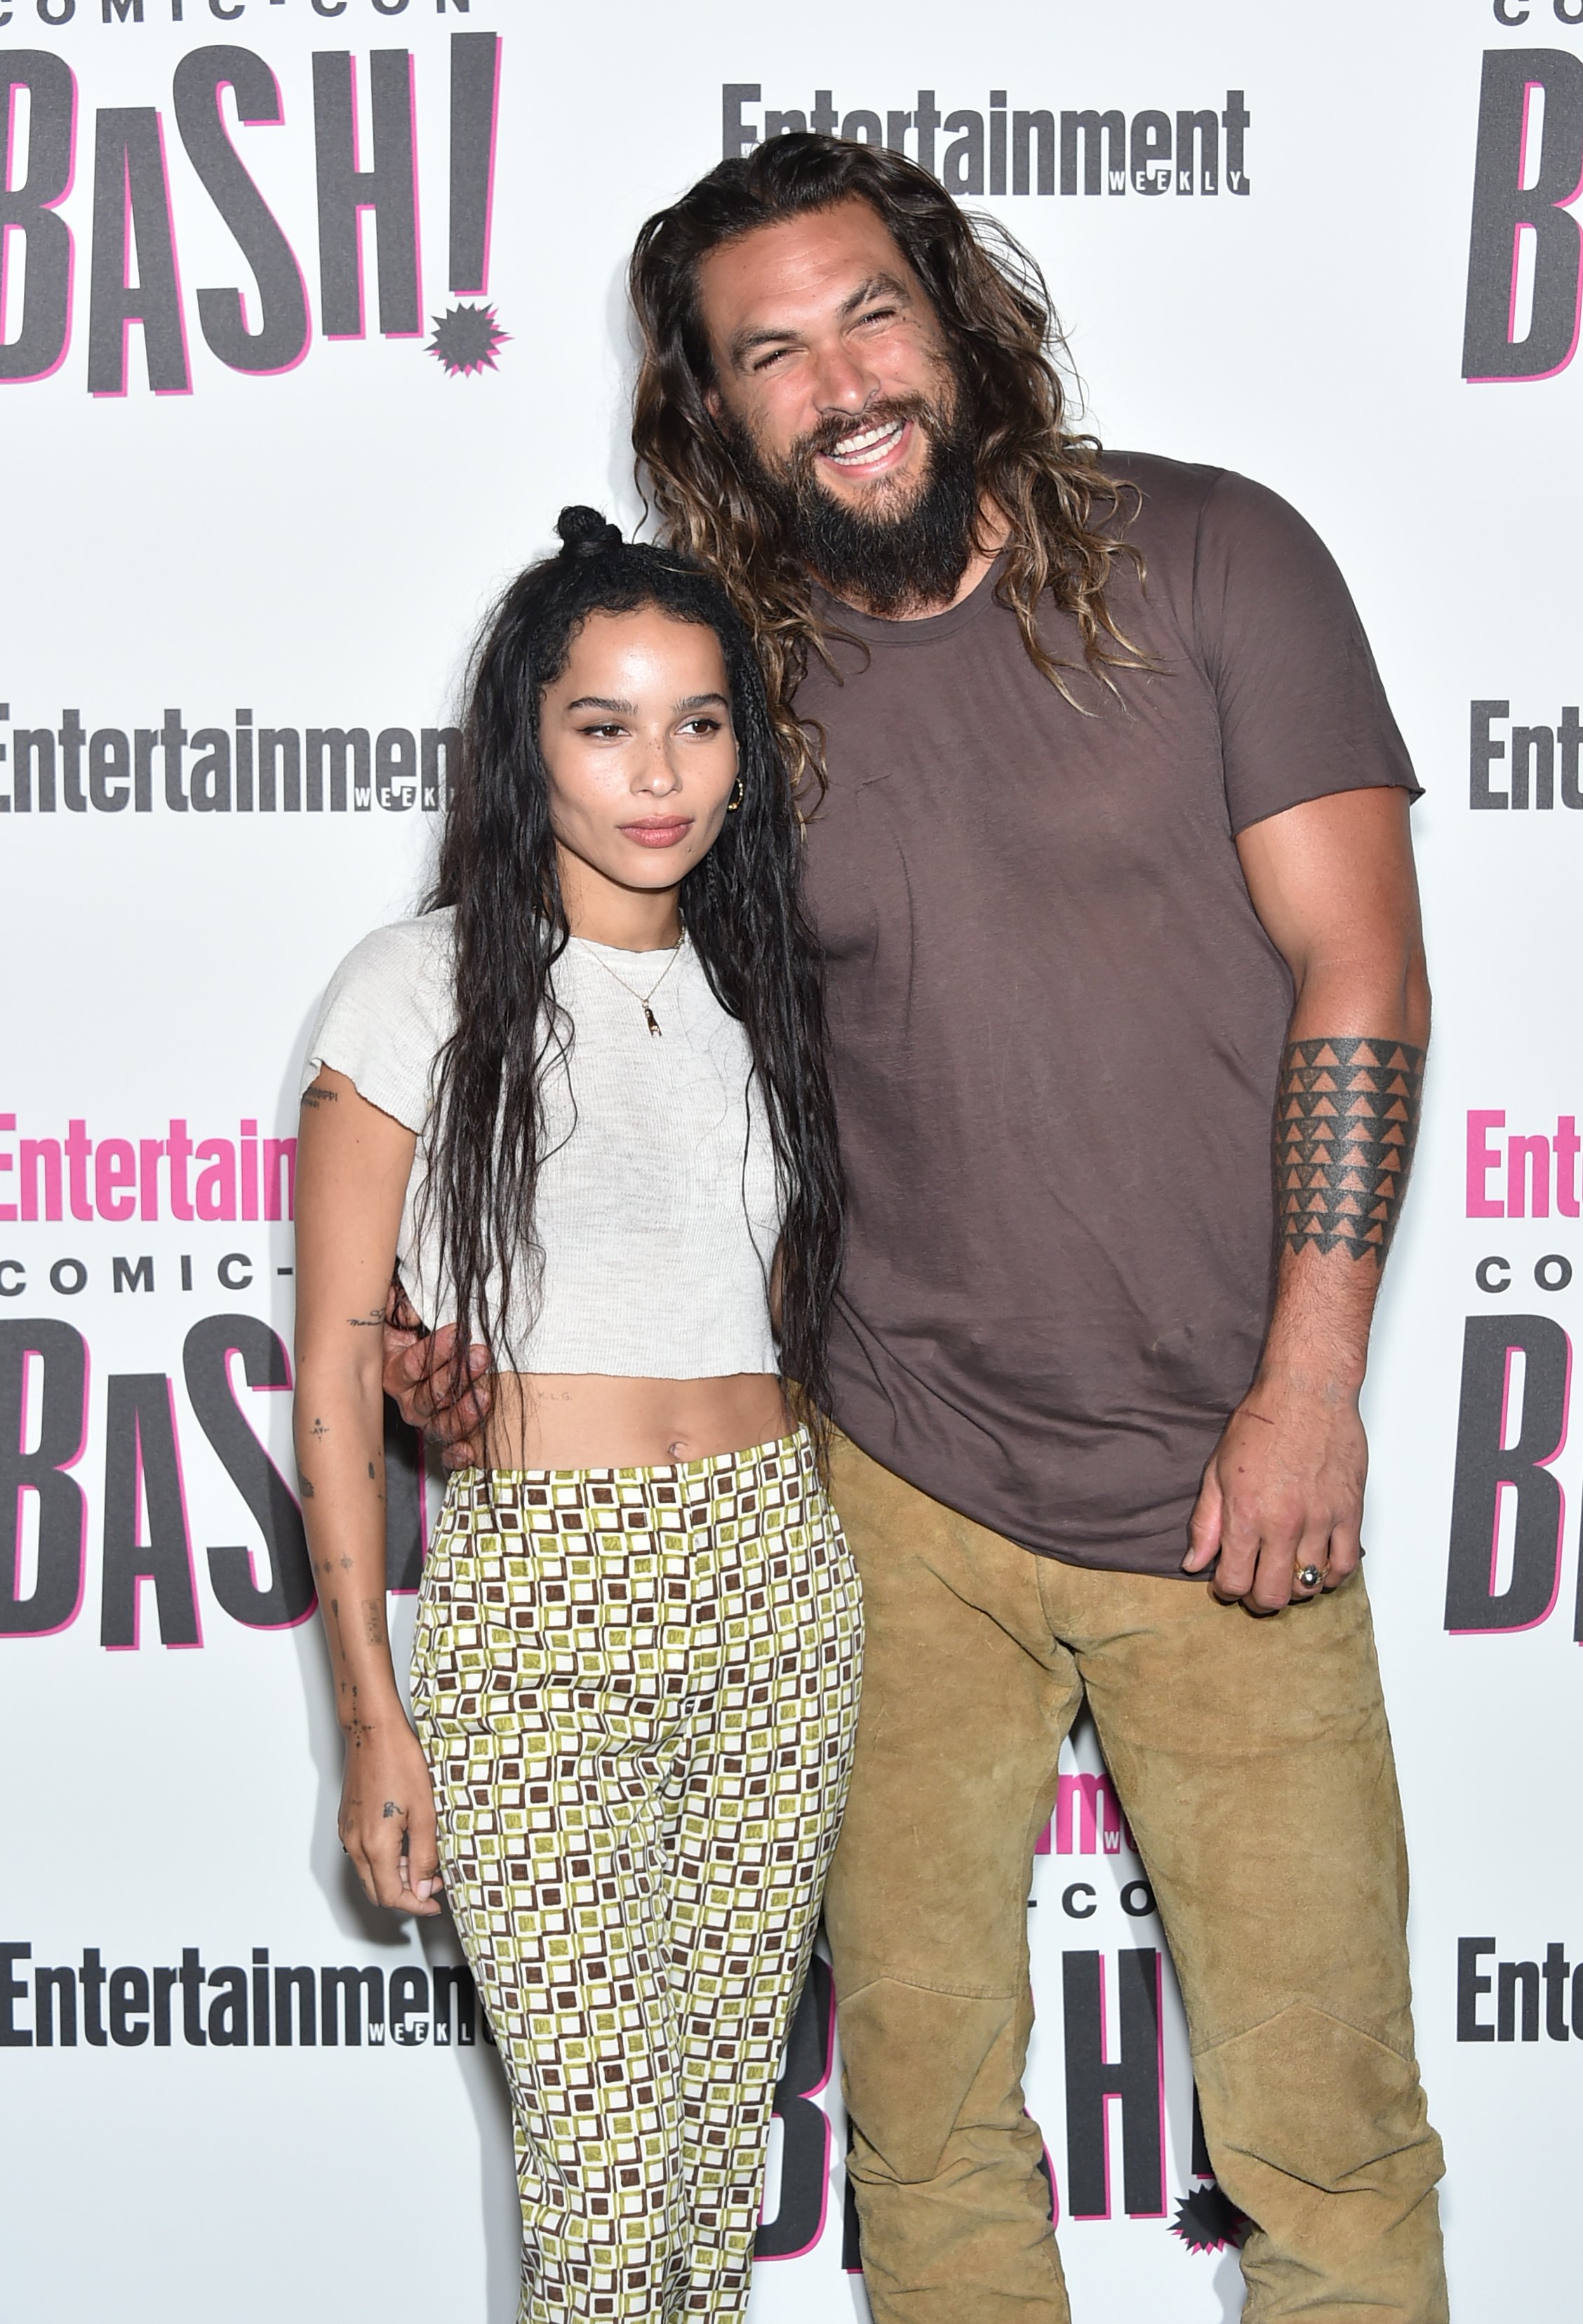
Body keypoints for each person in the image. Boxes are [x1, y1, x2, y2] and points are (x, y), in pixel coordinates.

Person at [389, 135, 1446, 2323]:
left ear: (955, 310)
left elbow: (1365, 973)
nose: (840, 379)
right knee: (932, 2142)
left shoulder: (1221, 556)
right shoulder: (731, 686)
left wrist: (1313, 1384)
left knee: (1328, 2138)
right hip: (881, 1491)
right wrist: (467, 1316)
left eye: (870, 311)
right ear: (711, 409)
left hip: (1228, 1483)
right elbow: (603, 1014)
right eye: (768, 353)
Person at [292, 507, 862, 2324]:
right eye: (604, 724)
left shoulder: (762, 996)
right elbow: (331, 1367)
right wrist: (370, 1721)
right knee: (609, 2203)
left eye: (699, 723)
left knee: (705, 2188)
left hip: (777, 1585)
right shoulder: (417, 985)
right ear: (525, 739)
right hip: (544, 1606)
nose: (658, 772)